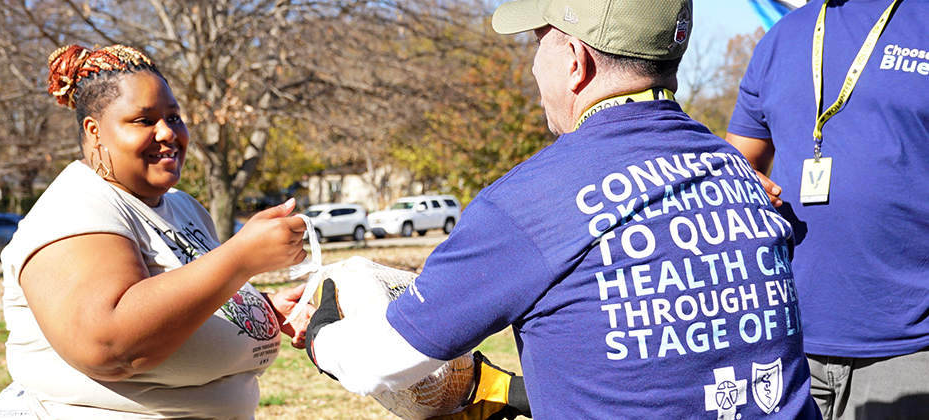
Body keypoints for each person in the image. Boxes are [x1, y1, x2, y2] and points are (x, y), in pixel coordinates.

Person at [304, 0, 823, 418]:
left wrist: (323, 330)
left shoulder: (531, 202)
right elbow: (673, 371)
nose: (533, 65)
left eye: (538, 42)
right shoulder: (739, 173)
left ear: (576, 61)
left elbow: (377, 363)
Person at [0, 44, 311, 419]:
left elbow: (183, 296)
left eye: (174, 117)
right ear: (94, 131)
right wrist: (239, 258)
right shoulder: (73, 210)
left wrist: (263, 310)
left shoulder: (183, 206)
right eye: (144, 121)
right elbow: (110, 346)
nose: (167, 133)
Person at [725, 1, 929, 419]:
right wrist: (743, 184)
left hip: (909, 344)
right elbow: (739, 162)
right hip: (785, 340)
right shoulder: (783, 36)